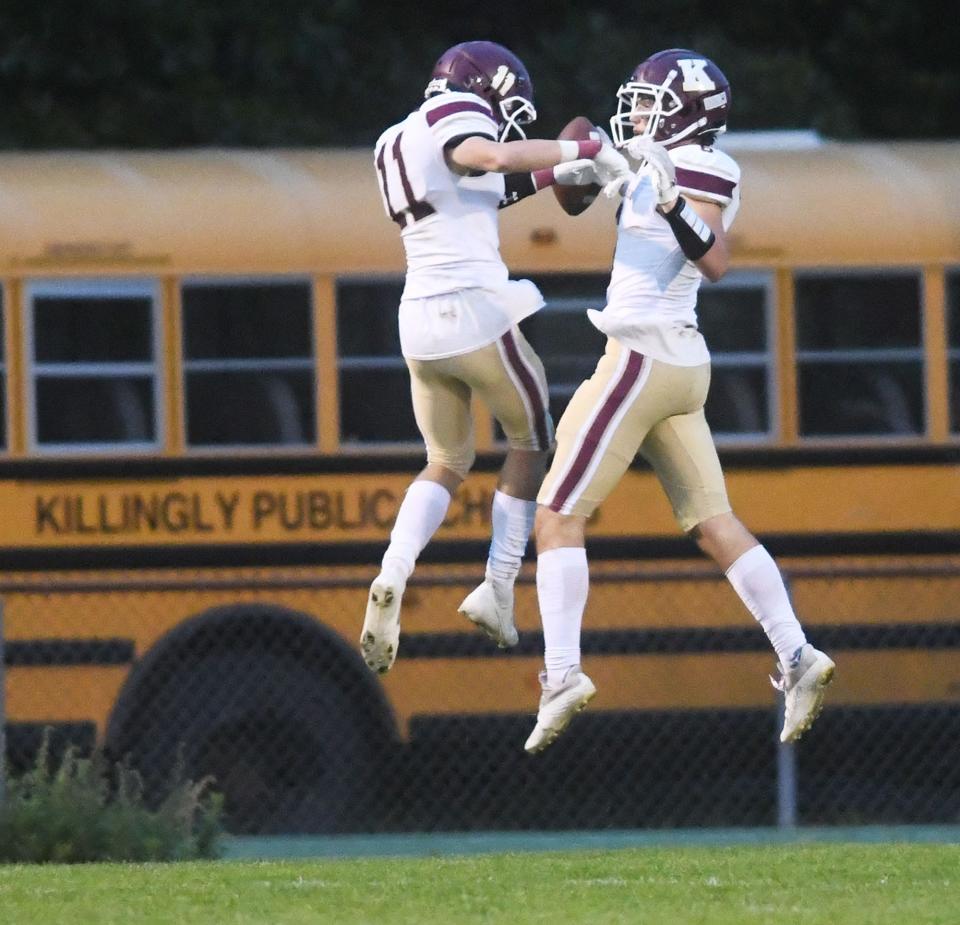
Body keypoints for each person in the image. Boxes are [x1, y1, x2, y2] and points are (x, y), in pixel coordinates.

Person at [523, 48, 835, 752]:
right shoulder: (649, 155)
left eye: (648, 102)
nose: (637, 112)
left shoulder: (701, 168)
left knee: (555, 517)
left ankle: (563, 673)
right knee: (714, 522)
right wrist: (560, 164)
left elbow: (716, 260)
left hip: (641, 353)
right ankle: (797, 653)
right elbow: (569, 186)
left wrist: (662, 197)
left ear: (689, 110)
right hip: (677, 362)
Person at [361, 40, 632, 674]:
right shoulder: (456, 112)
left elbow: (486, 187)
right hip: (474, 310)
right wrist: (585, 149)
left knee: (446, 459)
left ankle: (393, 569)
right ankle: (499, 587)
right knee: (533, 439)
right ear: (486, 88)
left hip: (418, 322)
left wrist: (554, 174)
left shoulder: (393, 138)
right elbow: (490, 155)